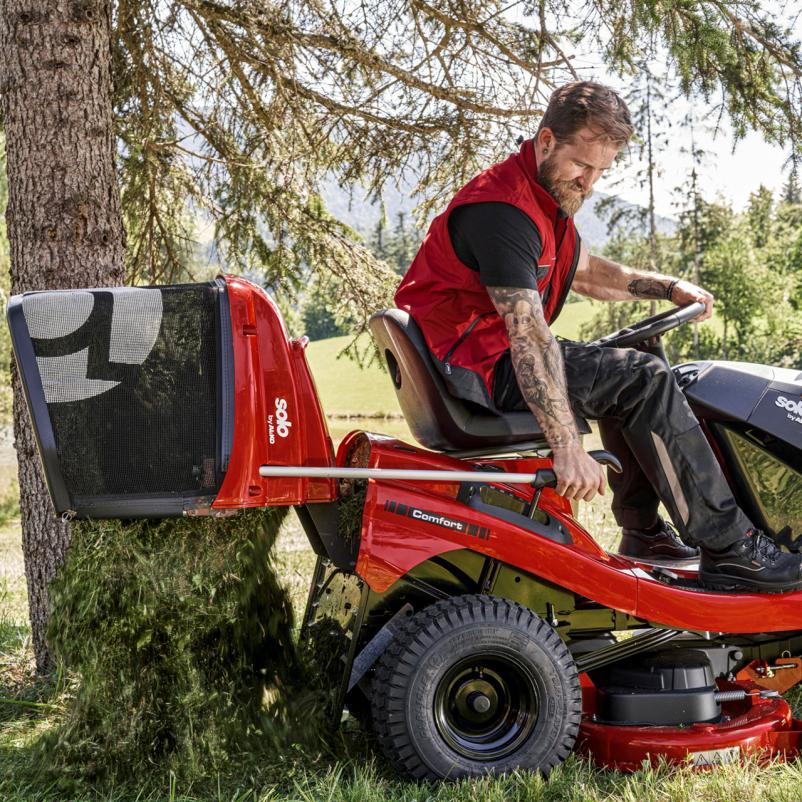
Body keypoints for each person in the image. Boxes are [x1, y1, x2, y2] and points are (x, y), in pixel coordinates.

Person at [395, 80, 802, 593]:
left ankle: (645, 533)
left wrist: (668, 288)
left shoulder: (546, 200)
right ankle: (731, 547)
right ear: (546, 141)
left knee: (629, 372)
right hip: (477, 370)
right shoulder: (503, 211)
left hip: (482, 361)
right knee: (645, 377)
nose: (589, 182)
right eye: (582, 166)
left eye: (601, 171)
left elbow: (586, 273)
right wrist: (567, 445)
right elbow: (527, 336)